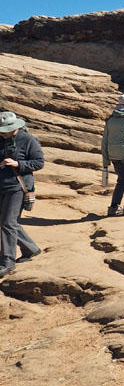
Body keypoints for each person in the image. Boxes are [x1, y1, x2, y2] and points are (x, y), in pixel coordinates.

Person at [0, 111, 44, 278]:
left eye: (5, 130)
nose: (2, 133)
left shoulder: (28, 140)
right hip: (1, 185)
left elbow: (39, 162)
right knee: (5, 221)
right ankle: (31, 249)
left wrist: (18, 163)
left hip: (18, 187)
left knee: (8, 223)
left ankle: (7, 261)